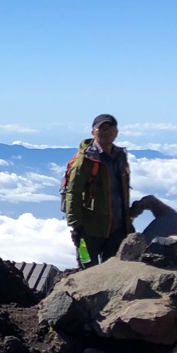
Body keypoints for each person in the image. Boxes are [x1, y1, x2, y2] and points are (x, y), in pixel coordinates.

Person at [62, 113, 132, 266]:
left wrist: (127, 222)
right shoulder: (84, 160)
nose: (105, 131)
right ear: (93, 131)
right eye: (101, 128)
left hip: (116, 230)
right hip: (86, 232)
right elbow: (72, 194)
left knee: (112, 273)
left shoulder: (120, 156)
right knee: (85, 268)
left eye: (110, 128)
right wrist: (76, 227)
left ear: (116, 132)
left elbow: (123, 191)